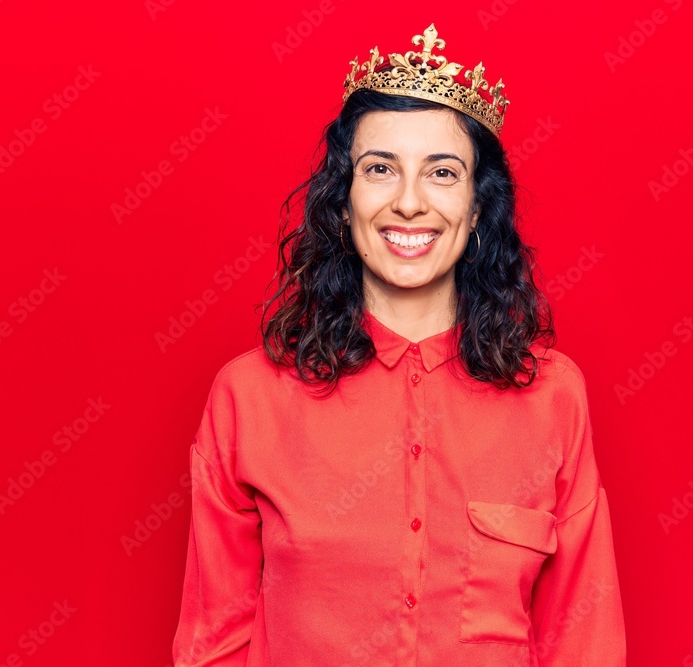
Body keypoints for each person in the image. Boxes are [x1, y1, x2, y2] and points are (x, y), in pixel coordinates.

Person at [172, 22, 626, 666]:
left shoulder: (554, 396)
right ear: (343, 201)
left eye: (442, 173)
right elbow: (213, 638)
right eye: (379, 169)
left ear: (475, 212)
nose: (409, 202)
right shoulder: (248, 397)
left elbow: (583, 633)